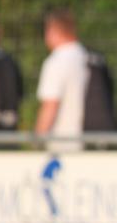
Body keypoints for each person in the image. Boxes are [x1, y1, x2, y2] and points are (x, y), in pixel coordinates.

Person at [36, 9, 89, 150]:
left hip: (62, 143)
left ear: (53, 31)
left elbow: (50, 105)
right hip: (90, 140)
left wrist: (37, 140)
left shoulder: (56, 61)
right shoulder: (87, 57)